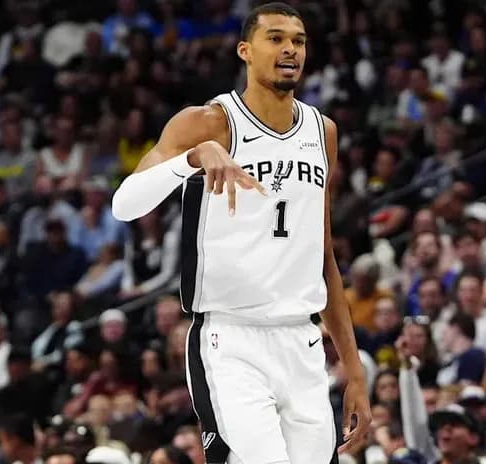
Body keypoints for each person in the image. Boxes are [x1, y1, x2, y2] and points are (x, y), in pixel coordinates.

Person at [109, 3, 371, 463]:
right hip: (230, 340)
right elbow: (125, 204)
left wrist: (355, 372)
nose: (290, 48)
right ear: (245, 51)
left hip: (303, 342)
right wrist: (190, 160)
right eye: (276, 38)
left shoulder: (322, 131)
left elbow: (322, 257)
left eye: (299, 40)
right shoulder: (208, 122)